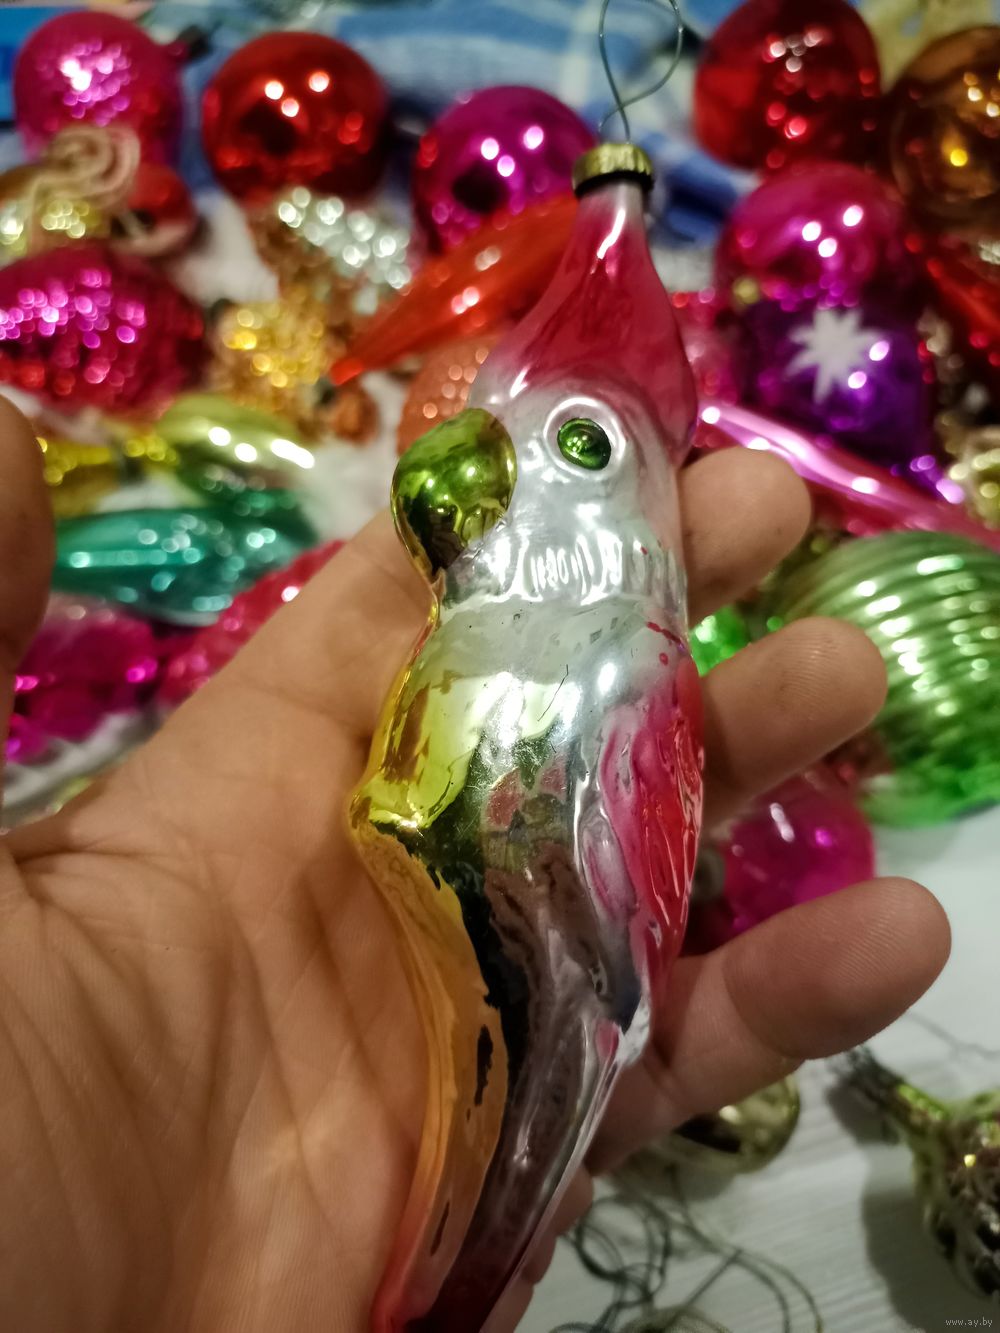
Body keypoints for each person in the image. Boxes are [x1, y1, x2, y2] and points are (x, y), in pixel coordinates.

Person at [0, 395, 949, 1332]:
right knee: (492, 1153)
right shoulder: (544, 593)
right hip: (467, 852)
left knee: (506, 1145)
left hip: (532, 891)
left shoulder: (622, 630)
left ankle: (446, 1281)